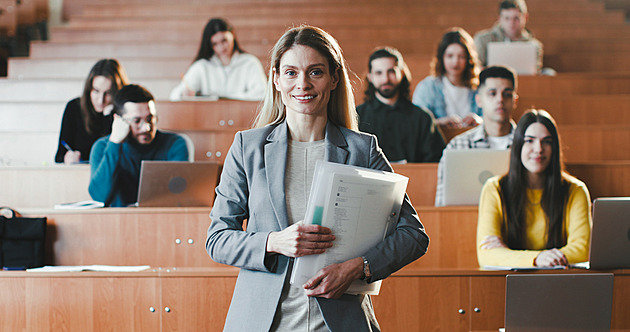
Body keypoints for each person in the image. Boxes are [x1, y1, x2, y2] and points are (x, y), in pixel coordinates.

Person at [206, 26, 429, 332]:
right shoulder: (248, 147)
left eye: (315, 72)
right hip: (263, 322)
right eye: (291, 73)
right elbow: (217, 238)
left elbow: (413, 235)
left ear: (334, 78)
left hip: (340, 322)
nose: (303, 84)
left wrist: (358, 267)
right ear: (275, 78)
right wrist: (273, 242)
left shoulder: (362, 149)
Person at [477, 109, 591, 267]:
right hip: (508, 281)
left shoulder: (575, 190)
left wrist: (510, 254)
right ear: (518, 146)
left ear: (554, 148)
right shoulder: (495, 188)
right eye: (529, 140)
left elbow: (582, 250)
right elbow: (486, 254)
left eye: (546, 141)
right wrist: (538, 259)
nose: (538, 149)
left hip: (560, 280)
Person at [89, 84, 189, 207]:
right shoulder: (102, 147)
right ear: (119, 120)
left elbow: (180, 194)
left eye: (150, 119)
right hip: (119, 221)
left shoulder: (175, 144)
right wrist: (114, 143)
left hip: (161, 218)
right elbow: (99, 198)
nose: (146, 128)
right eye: (137, 121)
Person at [435, 66, 518, 206]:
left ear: (515, 101)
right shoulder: (457, 146)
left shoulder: (528, 144)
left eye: (507, 94)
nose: (500, 100)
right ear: (479, 100)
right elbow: (442, 205)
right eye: (492, 93)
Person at [356, 47, 446, 163]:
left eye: (391, 71)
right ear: (370, 77)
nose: (385, 79)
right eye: (379, 73)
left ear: (402, 73)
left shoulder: (422, 118)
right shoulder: (356, 116)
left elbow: (435, 162)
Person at [169, 17, 267, 101]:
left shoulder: (249, 63)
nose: (221, 47)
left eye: (224, 40)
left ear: (232, 35)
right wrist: (183, 94)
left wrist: (223, 98)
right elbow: (174, 96)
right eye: (215, 44)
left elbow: (263, 94)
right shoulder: (202, 66)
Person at [55, 59, 129, 164]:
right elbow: (59, 156)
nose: (100, 100)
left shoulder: (126, 111)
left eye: (108, 93)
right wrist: (67, 158)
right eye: (96, 91)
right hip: (80, 174)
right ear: (89, 89)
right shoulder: (74, 108)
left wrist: (108, 117)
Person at [412, 27, 482, 128]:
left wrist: (480, 121)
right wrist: (438, 123)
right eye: (450, 56)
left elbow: (492, 118)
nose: (455, 62)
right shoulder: (428, 87)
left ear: (469, 59)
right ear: (442, 58)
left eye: (461, 56)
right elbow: (416, 123)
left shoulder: (479, 87)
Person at [474, 0, 543, 73]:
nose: (511, 23)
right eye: (507, 18)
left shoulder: (534, 45)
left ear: (525, 17)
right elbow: (476, 66)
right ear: (500, 18)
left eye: (516, 18)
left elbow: (536, 73)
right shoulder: (483, 39)